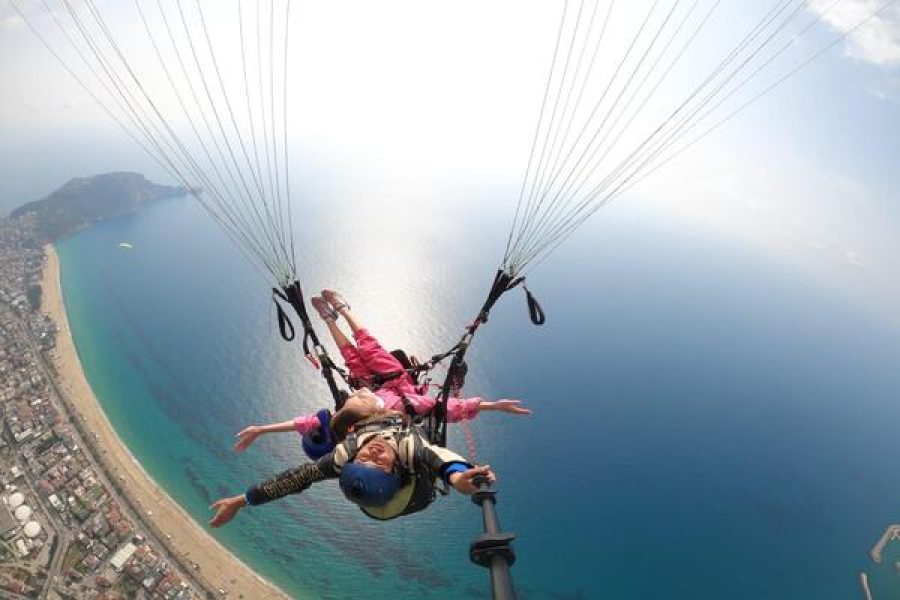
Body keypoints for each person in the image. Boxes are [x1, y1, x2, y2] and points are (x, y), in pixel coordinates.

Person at [232, 289, 531, 458]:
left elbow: (304, 423)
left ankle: (330, 319)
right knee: (368, 345)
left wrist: (261, 429)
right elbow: (452, 408)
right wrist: (494, 406)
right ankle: (343, 309)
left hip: (367, 385)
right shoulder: (408, 408)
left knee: (350, 355)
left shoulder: (348, 419)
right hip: (396, 379)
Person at [209, 400, 496, 526]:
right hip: (403, 424)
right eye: (379, 461)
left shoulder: (343, 456)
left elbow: (293, 480)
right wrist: (458, 477)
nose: (372, 451)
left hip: (376, 416)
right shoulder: (410, 451)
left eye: (363, 457)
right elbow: (441, 459)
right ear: (396, 469)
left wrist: (241, 501)